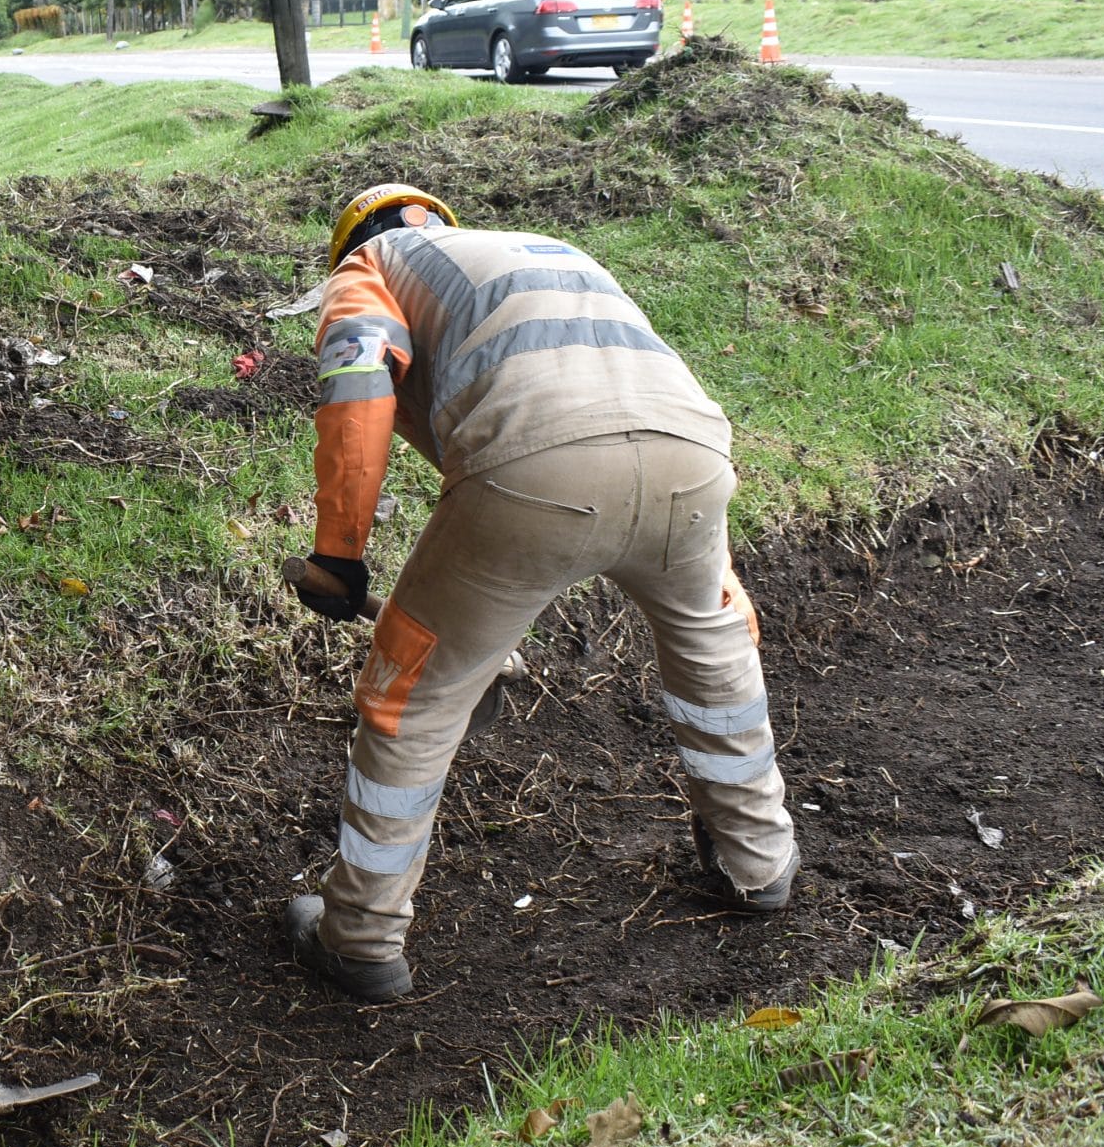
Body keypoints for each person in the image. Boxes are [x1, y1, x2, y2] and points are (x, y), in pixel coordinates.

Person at [285, 186, 796, 1005]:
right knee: (711, 651)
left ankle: (361, 938)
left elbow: (358, 388)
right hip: (695, 456)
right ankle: (759, 864)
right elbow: (633, 396)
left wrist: (338, 556)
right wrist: (722, 579)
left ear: (353, 240)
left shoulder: (369, 266)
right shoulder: (539, 255)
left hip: (537, 472)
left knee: (410, 700)